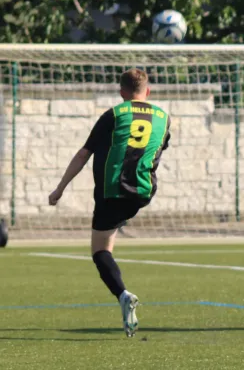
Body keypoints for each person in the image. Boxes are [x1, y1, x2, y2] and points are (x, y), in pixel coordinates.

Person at [48, 69, 171, 337]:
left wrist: (60, 188)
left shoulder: (114, 114)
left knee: (100, 252)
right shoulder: (164, 117)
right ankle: (123, 293)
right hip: (143, 192)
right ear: (147, 92)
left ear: (122, 93)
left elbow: (83, 154)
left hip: (111, 191)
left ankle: (123, 295)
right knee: (112, 233)